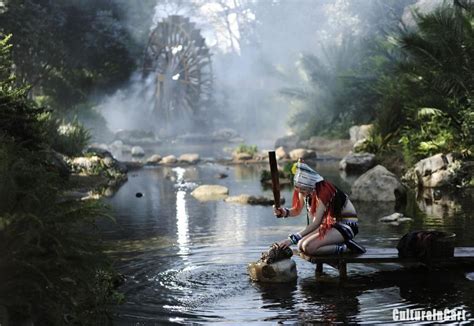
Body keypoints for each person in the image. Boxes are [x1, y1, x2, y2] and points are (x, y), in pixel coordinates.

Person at [273, 161, 364, 256]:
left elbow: (316, 222)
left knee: (309, 247)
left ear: (312, 187)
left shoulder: (324, 192)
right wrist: (283, 212)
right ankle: (335, 244)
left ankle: (347, 247)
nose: (301, 193)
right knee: (300, 245)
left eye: (303, 190)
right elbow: (296, 210)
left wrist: (292, 239)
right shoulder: (303, 189)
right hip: (329, 225)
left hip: (346, 225)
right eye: (299, 190)